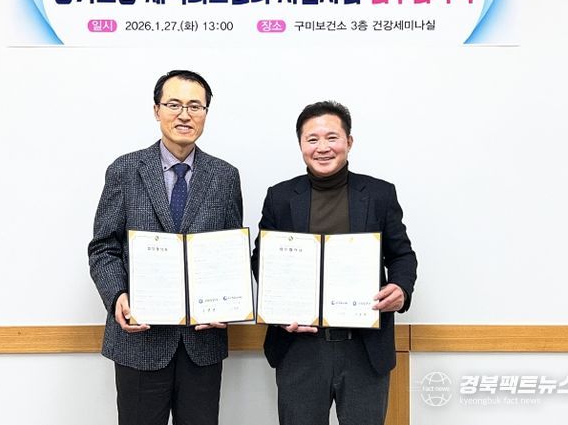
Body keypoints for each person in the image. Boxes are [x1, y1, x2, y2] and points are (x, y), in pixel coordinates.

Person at [88, 70, 243, 425]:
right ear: (157, 110)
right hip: (139, 342)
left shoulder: (225, 176)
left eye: (195, 106)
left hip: (201, 344)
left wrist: (228, 302)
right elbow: (103, 247)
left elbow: (230, 253)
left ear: (206, 113)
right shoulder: (125, 170)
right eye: (174, 104)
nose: (184, 115)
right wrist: (117, 296)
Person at [251, 101, 417, 425]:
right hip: (300, 347)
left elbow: (402, 255)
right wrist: (278, 309)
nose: (322, 147)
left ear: (349, 142)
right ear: (301, 145)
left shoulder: (379, 194)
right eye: (312, 139)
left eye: (332, 137)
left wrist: (401, 287)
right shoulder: (280, 197)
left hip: (364, 349)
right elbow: (263, 260)